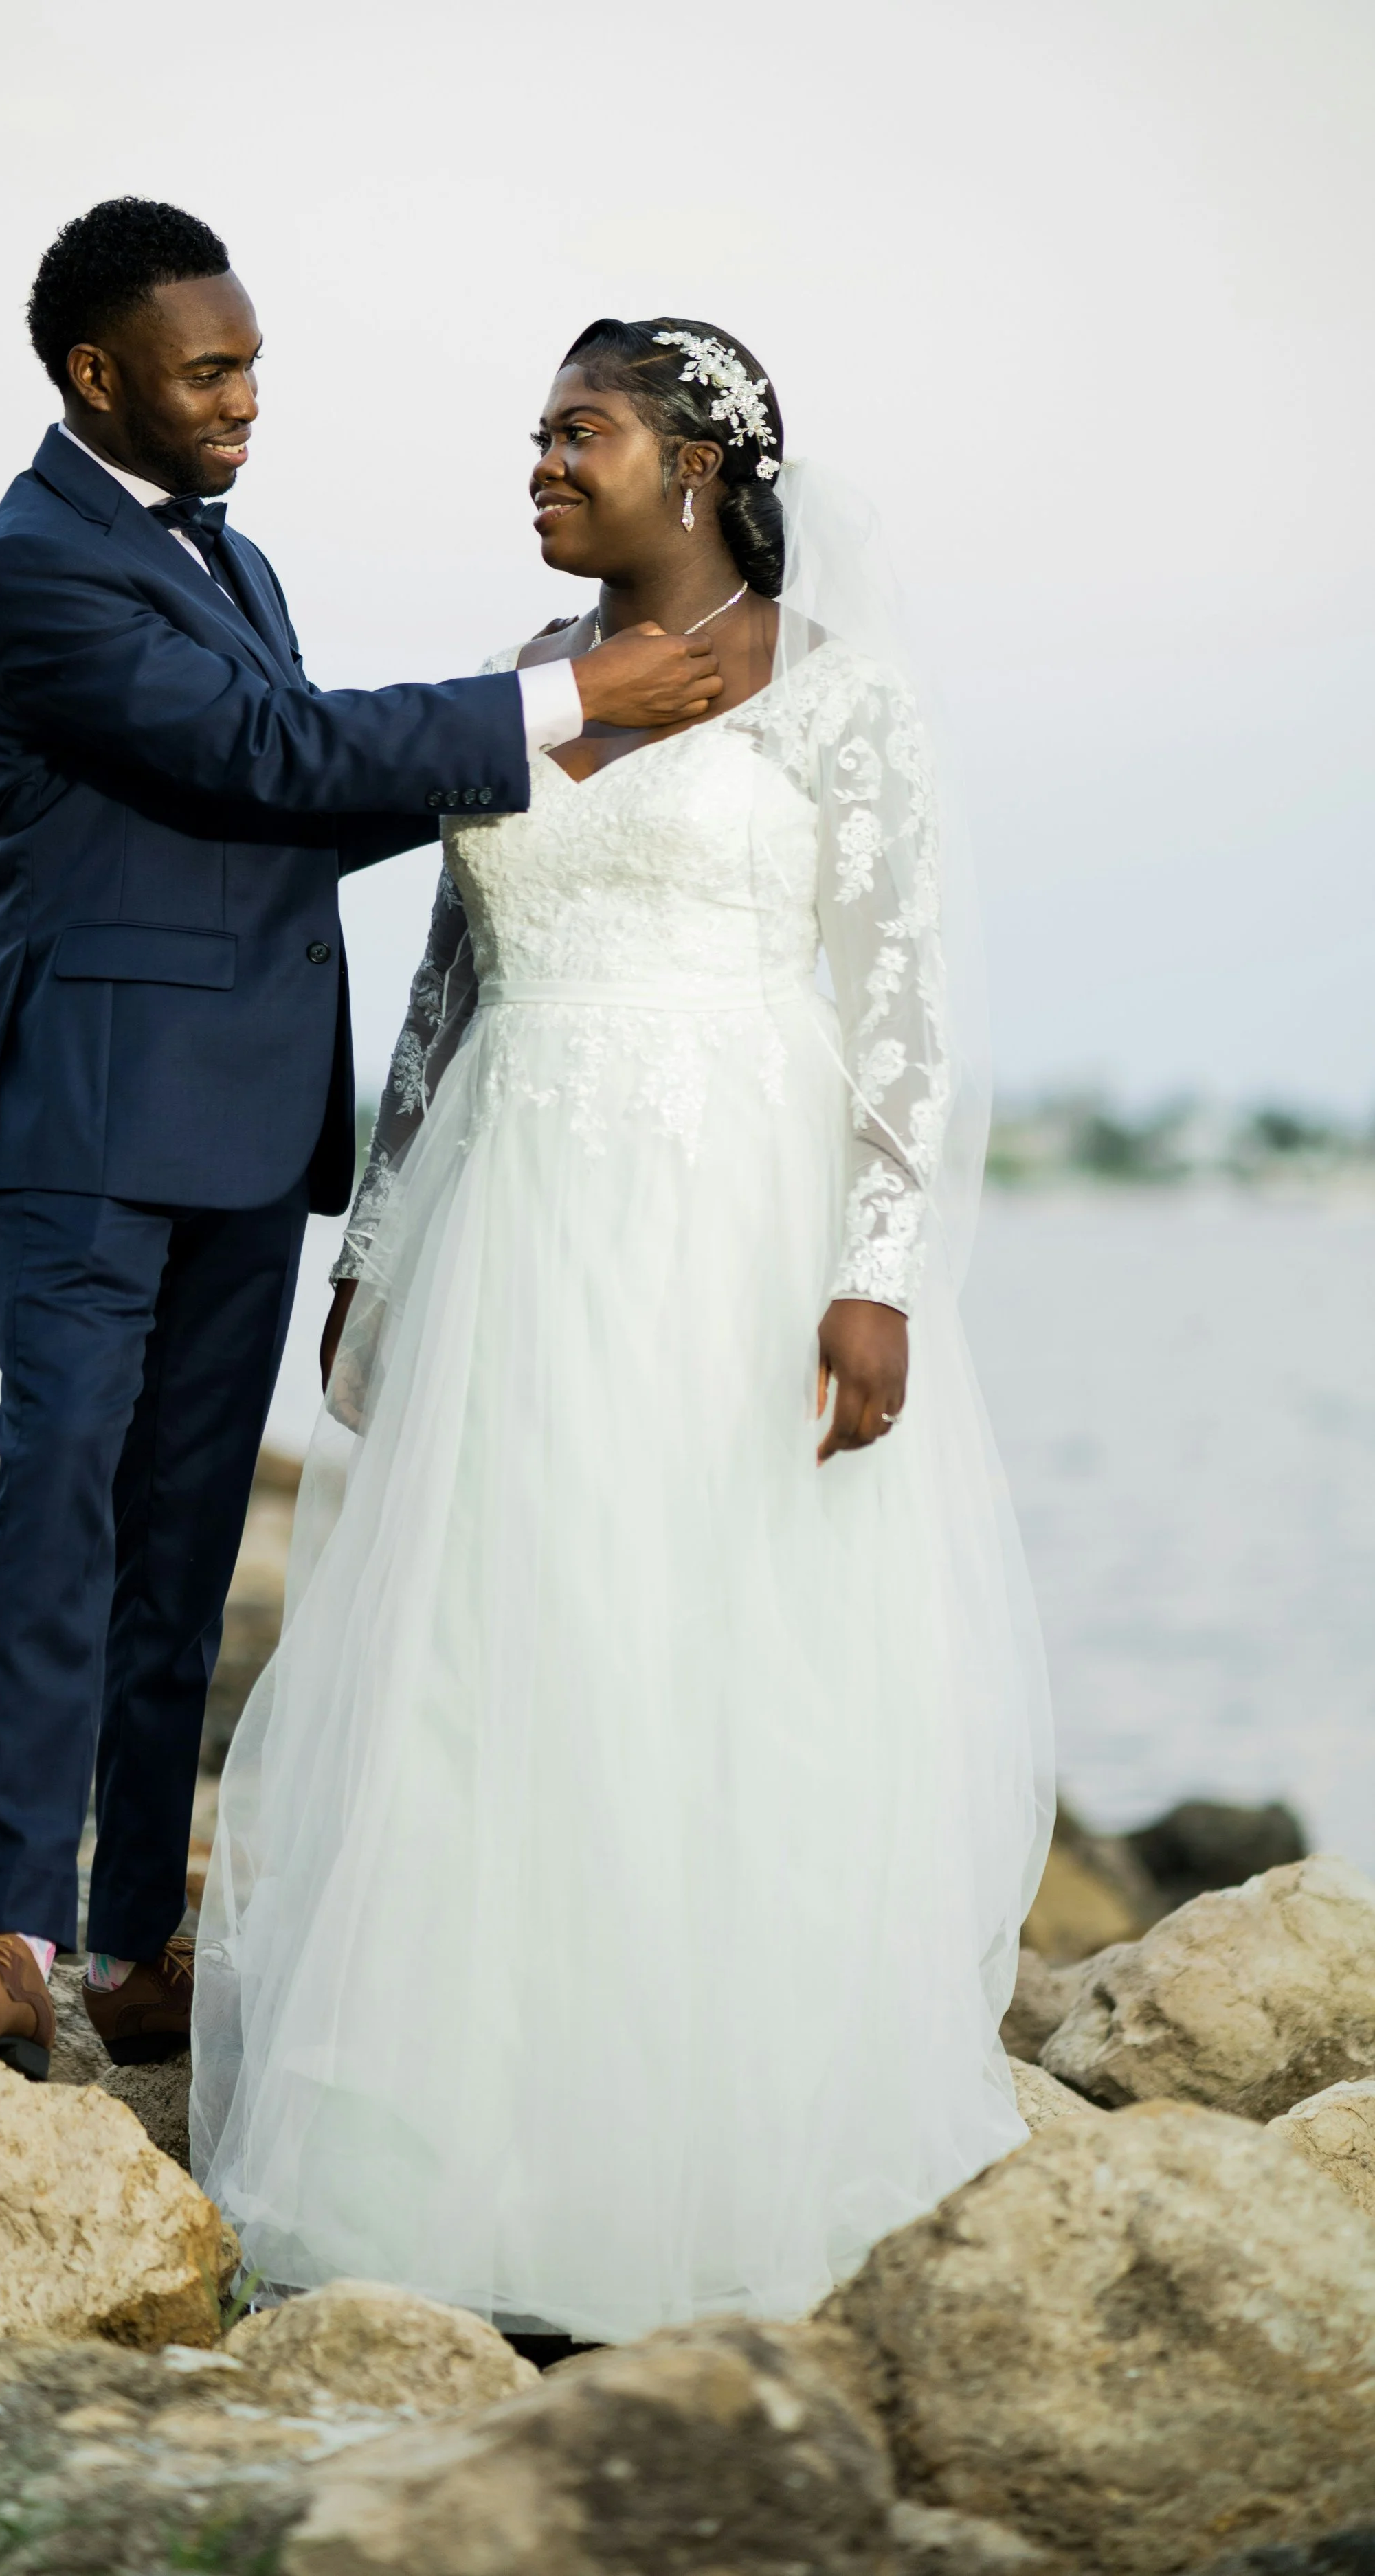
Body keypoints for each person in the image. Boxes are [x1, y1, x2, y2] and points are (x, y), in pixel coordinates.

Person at [191, 317, 1053, 2340]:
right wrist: (377, 1245)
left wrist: (877, 1270)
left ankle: (721, 2158)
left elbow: (903, 1002)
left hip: (733, 1219)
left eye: (578, 430)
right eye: (537, 432)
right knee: (501, 1644)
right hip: (519, 1212)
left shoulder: (840, 696)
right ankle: (461, 2167)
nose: (540, 461)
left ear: (695, 460)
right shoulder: (516, 676)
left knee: (714, 1639)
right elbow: (439, 994)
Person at [0, 209, 719, 2083]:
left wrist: (534, 762)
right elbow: (268, 753)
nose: (249, 399)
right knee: (63, 1497)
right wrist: (563, 698)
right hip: (94, 1114)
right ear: (98, 376)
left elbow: (282, 798)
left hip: (257, 1119)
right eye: (209, 371)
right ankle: (9, 1932)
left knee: (184, 1539)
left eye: (253, 362)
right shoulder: (31, 565)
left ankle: (135, 1941)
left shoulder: (233, 564)